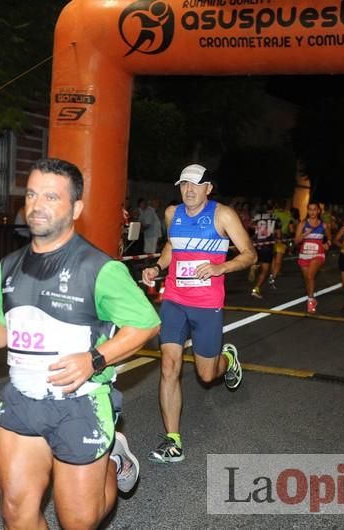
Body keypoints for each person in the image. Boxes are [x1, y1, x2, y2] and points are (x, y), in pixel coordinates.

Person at [0, 157, 160, 529]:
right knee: (15, 513)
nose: (36, 205)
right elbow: (3, 329)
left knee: (79, 521)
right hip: (23, 400)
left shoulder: (100, 269)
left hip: (80, 404)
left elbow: (145, 325)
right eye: (31, 194)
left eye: (51, 197)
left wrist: (94, 359)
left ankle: (112, 457)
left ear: (76, 208)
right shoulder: (10, 265)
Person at [141, 163, 255, 464]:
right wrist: (158, 267)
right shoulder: (171, 214)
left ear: (208, 188)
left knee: (206, 376)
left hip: (207, 304)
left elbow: (249, 254)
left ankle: (227, 358)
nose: (188, 191)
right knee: (169, 366)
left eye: (194, 185)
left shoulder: (223, 215)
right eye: (183, 185)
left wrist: (222, 267)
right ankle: (173, 440)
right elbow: (171, 246)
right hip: (175, 300)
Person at [294, 202, 331, 313]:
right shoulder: (302, 224)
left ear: (318, 211)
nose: (312, 212)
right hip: (304, 254)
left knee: (310, 276)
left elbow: (329, 238)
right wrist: (305, 234)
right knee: (308, 279)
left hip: (318, 254)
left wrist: (327, 244)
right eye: (310, 209)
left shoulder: (323, 225)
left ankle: (310, 301)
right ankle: (312, 297)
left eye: (314, 209)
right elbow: (296, 241)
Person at [250, 202, 281, 299]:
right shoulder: (275, 218)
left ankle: (255, 265)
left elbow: (249, 225)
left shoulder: (258, 217)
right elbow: (278, 234)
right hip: (267, 245)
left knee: (260, 259)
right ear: (272, 209)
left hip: (256, 243)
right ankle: (256, 289)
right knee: (265, 270)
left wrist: (257, 229)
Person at [270, 199, 293, 288]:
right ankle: (273, 277)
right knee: (279, 260)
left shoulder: (273, 213)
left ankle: (272, 273)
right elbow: (291, 228)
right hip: (282, 238)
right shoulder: (288, 214)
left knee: (273, 258)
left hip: (271, 238)